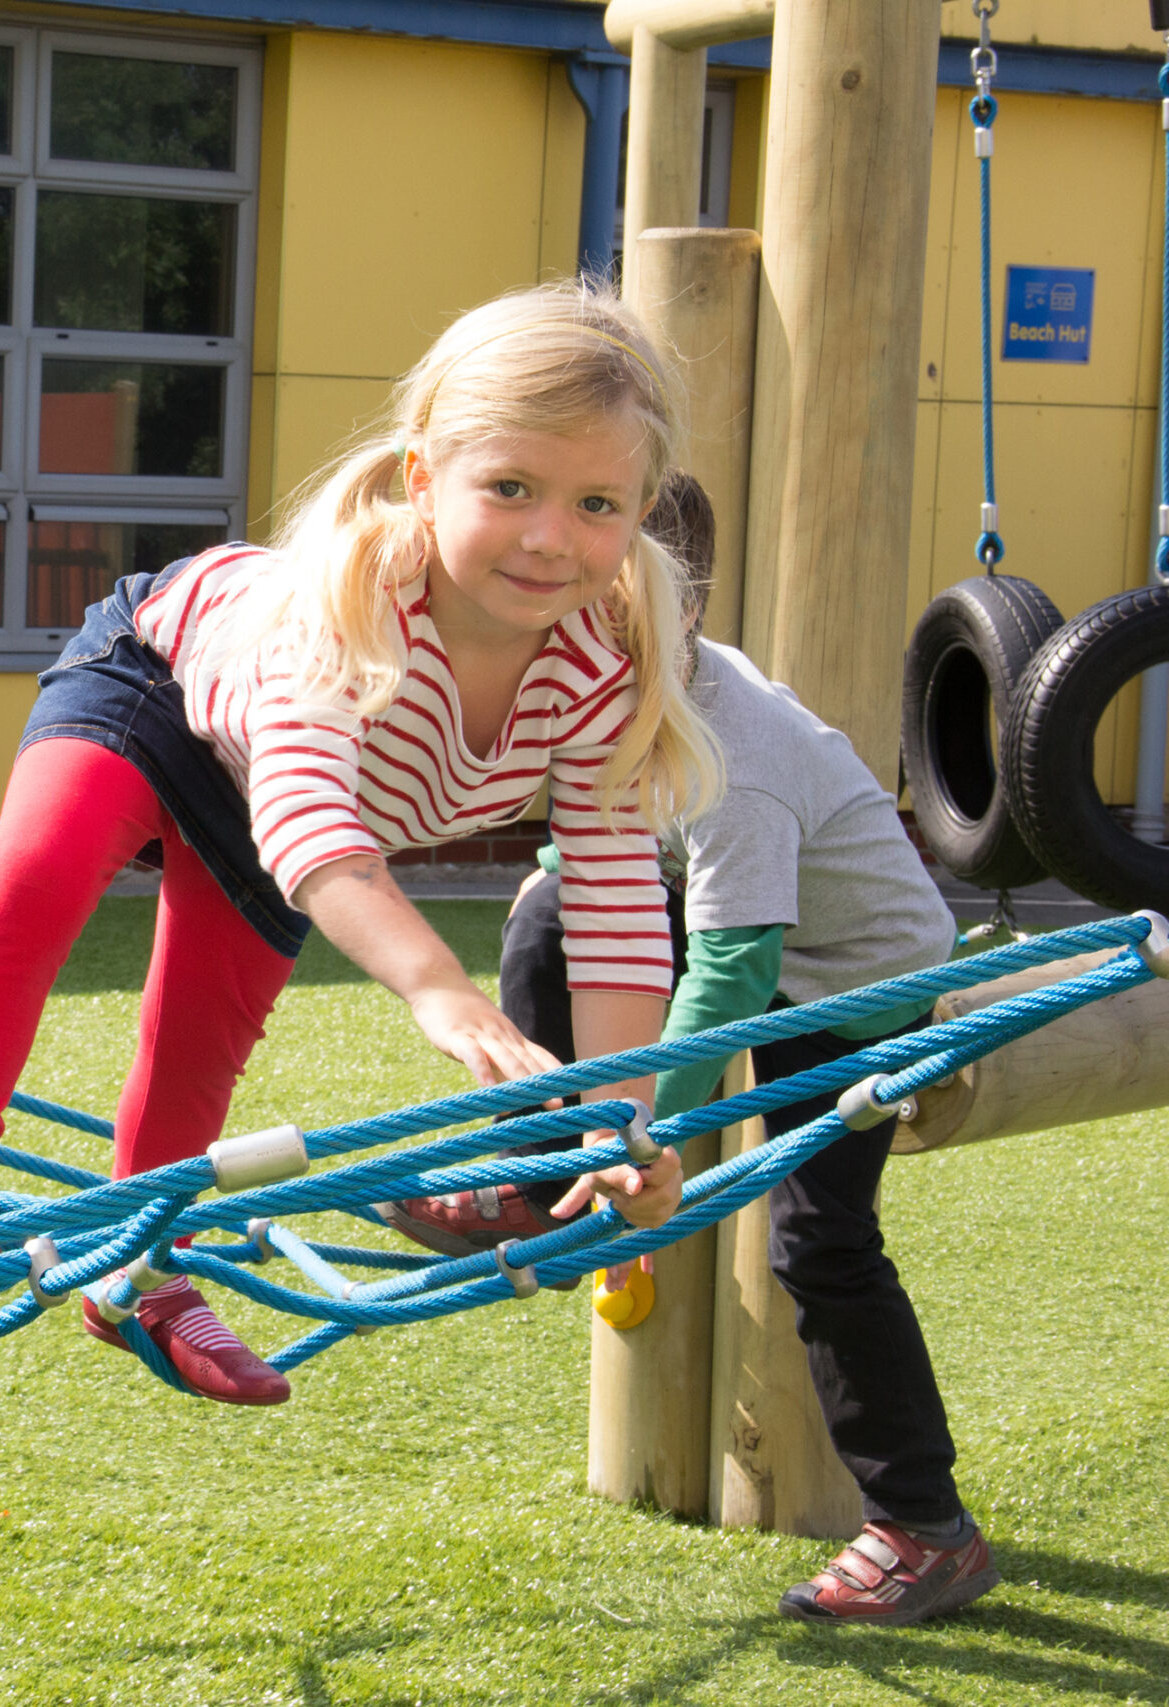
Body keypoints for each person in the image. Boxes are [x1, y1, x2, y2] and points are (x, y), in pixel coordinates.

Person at [0, 281, 718, 1406]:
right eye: (508, 488)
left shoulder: (601, 664)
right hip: (159, 686)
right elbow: (311, 822)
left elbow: (616, 914)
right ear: (424, 476)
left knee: (201, 1039)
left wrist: (621, 1121)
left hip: (278, 820)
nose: (548, 538)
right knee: (36, 882)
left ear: (642, 505)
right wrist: (439, 990)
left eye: (597, 504)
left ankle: (140, 1273)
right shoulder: (355, 596)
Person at [386, 473, 995, 1626]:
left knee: (819, 1245)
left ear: (677, 613)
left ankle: (927, 1529)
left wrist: (628, 1128)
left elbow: (734, 977)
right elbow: (596, 874)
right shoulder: (595, 702)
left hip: (857, 986)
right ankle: (530, 1183)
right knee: (549, 912)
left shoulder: (734, 751)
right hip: (756, 929)